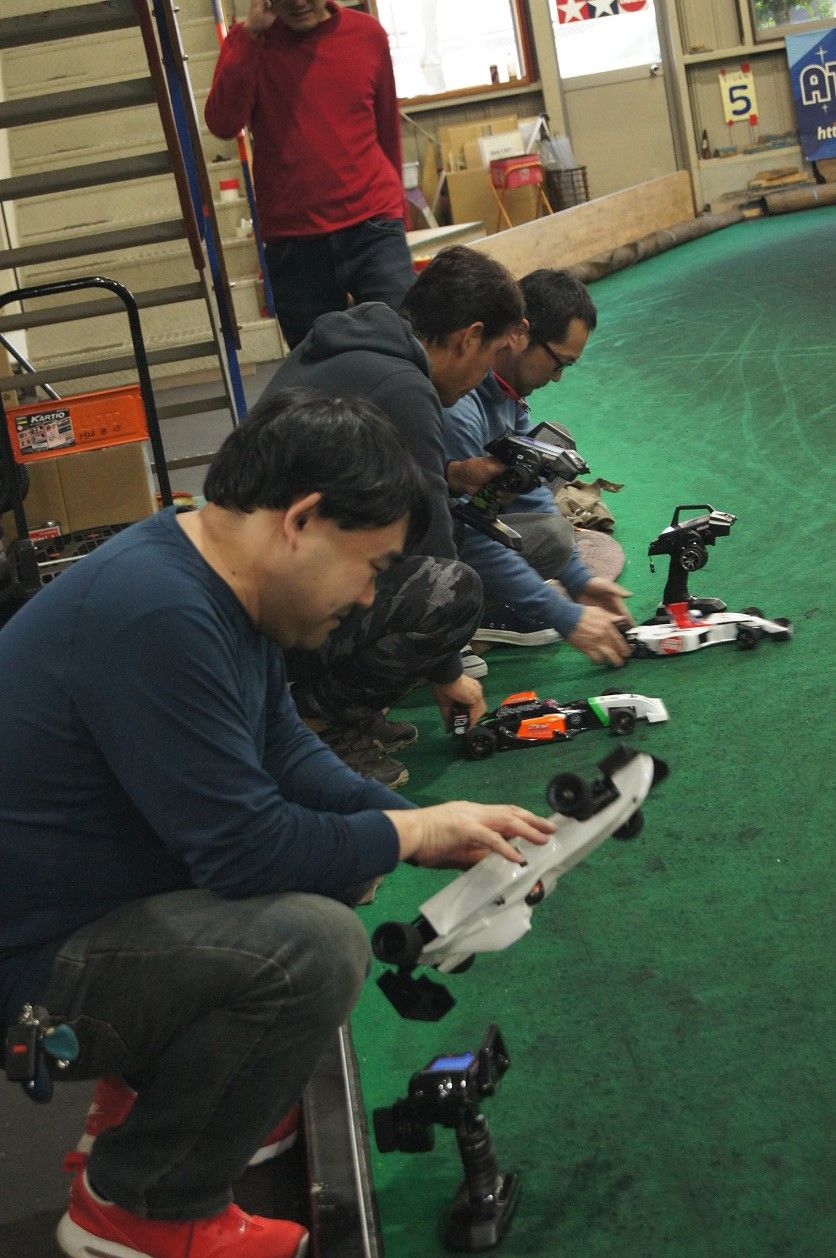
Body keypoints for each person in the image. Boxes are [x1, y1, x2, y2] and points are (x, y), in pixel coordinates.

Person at [0, 391, 554, 1258]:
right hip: (32, 979)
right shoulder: (158, 611)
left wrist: (429, 826)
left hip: (80, 917)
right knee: (313, 946)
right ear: (301, 521)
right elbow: (245, 849)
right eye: (371, 565)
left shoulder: (205, 578)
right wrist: (412, 836)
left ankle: (160, 1099)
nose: (368, 596)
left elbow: (285, 751)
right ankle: (141, 1208)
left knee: (343, 854)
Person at [257, 246, 526, 780]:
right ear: (469, 336)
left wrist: (452, 475)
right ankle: (313, 725)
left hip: (258, 594)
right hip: (275, 622)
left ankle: (333, 709)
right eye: (493, 353)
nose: (485, 374)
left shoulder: (357, 342)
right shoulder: (405, 386)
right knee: (453, 590)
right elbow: (432, 543)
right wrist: (448, 672)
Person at [442, 269, 633, 669]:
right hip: (426, 552)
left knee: (552, 447)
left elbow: (530, 491)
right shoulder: (459, 407)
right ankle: (457, 626)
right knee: (552, 535)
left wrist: (579, 581)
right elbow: (468, 535)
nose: (558, 377)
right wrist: (563, 615)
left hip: (453, 526)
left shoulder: (505, 390)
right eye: (559, 362)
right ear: (520, 334)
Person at [204, 0, 416, 350]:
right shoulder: (252, 43)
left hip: (372, 226)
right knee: (316, 366)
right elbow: (223, 123)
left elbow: (387, 129)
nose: (298, 3)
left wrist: (398, 215)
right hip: (294, 240)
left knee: (403, 349)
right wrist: (249, 36)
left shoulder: (367, 34)